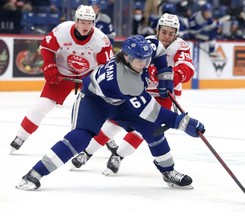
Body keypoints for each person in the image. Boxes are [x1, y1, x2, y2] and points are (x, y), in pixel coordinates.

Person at [15, 35, 205, 190]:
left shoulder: (138, 52)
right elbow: (154, 112)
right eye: (141, 61)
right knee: (80, 137)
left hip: (120, 101)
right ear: (129, 58)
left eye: (147, 59)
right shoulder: (127, 81)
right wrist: (184, 122)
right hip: (94, 101)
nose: (146, 64)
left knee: (151, 129)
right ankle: (35, 173)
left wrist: (164, 72)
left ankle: (168, 172)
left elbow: (158, 48)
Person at [71, 13, 195, 175]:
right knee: (115, 123)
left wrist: (172, 77)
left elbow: (188, 68)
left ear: (176, 34)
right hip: (140, 91)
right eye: (164, 32)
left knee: (145, 129)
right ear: (158, 30)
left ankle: (118, 156)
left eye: (171, 34)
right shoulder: (148, 43)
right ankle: (86, 152)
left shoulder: (181, 46)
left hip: (164, 95)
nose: (167, 37)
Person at [10, 5, 113, 154]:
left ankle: (108, 139)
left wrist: (94, 79)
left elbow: (105, 66)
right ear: (76, 21)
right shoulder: (63, 30)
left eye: (89, 22)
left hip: (88, 76)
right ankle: (21, 136)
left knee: (95, 113)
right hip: (63, 73)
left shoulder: (101, 40)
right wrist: (50, 65)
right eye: (82, 22)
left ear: (94, 23)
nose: (86, 26)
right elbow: (46, 47)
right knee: (41, 106)